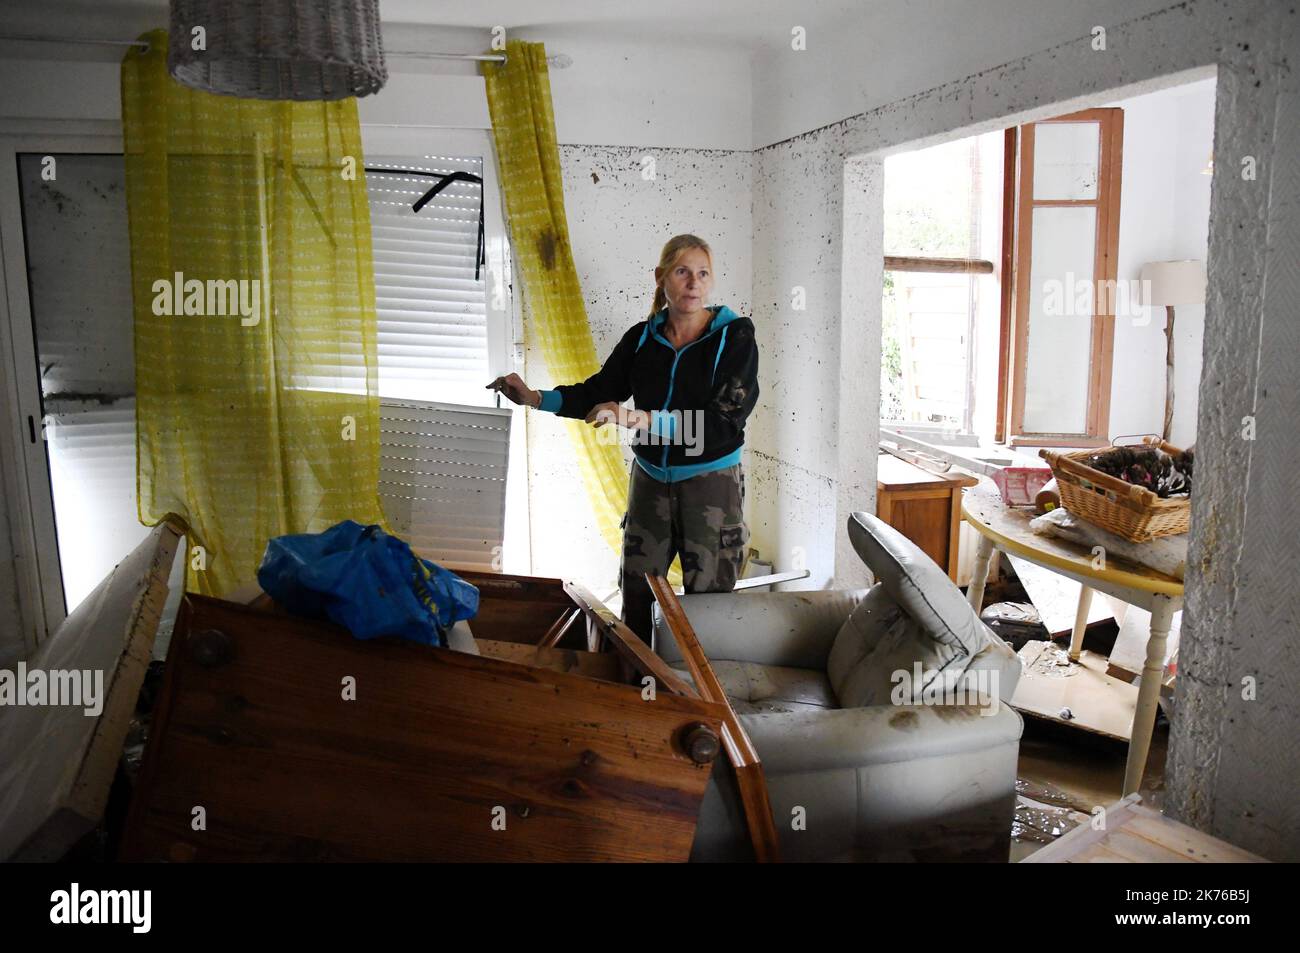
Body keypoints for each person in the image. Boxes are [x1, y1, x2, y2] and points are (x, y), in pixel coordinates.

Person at [487, 234, 760, 644]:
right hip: (650, 481)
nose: (693, 283)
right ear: (661, 277)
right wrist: (536, 398)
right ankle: (637, 690)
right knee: (638, 592)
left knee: (710, 600)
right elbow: (599, 393)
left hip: (710, 485)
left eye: (703, 274)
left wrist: (639, 418)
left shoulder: (734, 336)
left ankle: (704, 700)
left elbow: (721, 424)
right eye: (683, 271)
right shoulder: (642, 338)